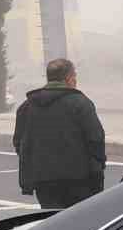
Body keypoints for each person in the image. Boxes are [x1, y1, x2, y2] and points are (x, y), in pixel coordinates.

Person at [13, 58, 107, 210]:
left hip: (43, 182)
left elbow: (19, 143)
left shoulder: (26, 107)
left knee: (54, 223)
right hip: (79, 181)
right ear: (69, 78)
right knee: (81, 222)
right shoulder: (80, 103)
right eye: (74, 75)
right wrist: (97, 170)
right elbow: (96, 140)